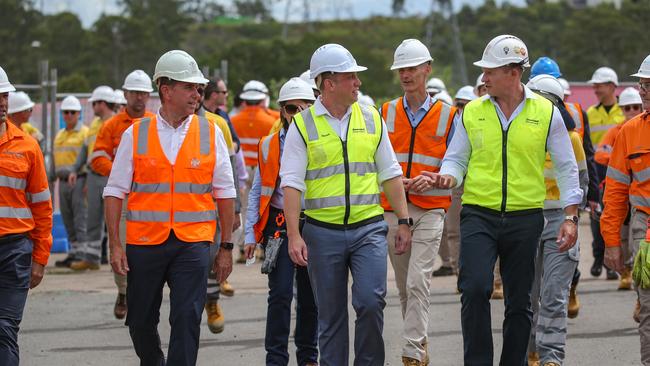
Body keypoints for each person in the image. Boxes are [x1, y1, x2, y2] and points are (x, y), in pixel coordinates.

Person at [429, 35, 581, 365]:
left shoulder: (546, 114)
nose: (484, 78)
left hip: (525, 218)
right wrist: (448, 176)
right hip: (478, 214)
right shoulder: (472, 112)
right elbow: (456, 158)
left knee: (520, 301)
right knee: (474, 288)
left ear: (513, 72)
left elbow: (568, 168)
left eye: (490, 71)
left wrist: (570, 216)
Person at [103, 50, 236, 365]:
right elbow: (114, 191)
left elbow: (226, 192)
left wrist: (226, 246)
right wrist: (115, 244)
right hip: (145, 242)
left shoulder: (211, 132)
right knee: (139, 319)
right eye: (189, 87)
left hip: (192, 242)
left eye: (199, 88)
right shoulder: (135, 134)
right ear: (166, 89)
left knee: (187, 317)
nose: (197, 94)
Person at [282, 43, 411, 366]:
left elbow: (391, 173)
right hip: (322, 233)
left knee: (370, 302)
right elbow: (293, 185)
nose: (358, 83)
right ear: (329, 83)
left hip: (368, 229)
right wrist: (295, 235)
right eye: (351, 77)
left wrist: (404, 221)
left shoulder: (371, 119)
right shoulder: (302, 126)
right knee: (331, 316)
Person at [380, 39, 456, 366]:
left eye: (412, 68)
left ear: (428, 68)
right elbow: (377, 162)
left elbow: (456, 163)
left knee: (418, 279)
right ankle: (420, 344)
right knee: (403, 286)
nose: (406, 75)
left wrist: (435, 177)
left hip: (432, 209)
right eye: (402, 69)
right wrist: (396, 180)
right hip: (394, 210)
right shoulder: (385, 112)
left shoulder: (449, 116)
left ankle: (411, 353)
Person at [244, 77, 318, 366]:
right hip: (278, 227)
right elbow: (256, 191)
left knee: (310, 297)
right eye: (291, 108)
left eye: (305, 107)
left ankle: (308, 357)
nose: (298, 114)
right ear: (281, 111)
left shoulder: (323, 142)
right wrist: (250, 236)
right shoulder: (267, 145)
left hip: (313, 224)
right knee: (280, 294)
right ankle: (275, 359)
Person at [71, 70, 155, 320]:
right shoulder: (112, 126)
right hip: (125, 197)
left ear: (149, 95)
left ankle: (145, 293)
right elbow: (96, 158)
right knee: (120, 246)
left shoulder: (155, 122)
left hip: (151, 197)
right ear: (125, 95)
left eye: (143, 93)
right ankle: (123, 291)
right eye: (134, 93)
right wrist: (121, 173)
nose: (139, 98)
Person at [525, 74, 588, 366]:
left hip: (560, 223)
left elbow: (581, 183)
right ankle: (530, 352)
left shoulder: (572, 140)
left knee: (553, 296)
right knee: (527, 295)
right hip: (526, 223)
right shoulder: (521, 137)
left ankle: (551, 358)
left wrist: (571, 218)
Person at [0, 65, 53, 366]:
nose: (2, 102)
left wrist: (41, 257)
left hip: (15, 250)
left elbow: (42, 206)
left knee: (5, 327)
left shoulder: (27, 146)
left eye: (4, 94)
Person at [602, 54, 650, 364]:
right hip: (645, 229)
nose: (642, 91)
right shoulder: (630, 131)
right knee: (648, 307)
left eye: (648, 85)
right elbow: (616, 191)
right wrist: (611, 242)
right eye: (641, 84)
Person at [594, 86, 643, 292]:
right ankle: (625, 272)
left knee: (636, 240)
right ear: (622, 109)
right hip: (623, 194)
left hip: (640, 197)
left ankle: (633, 271)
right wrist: (621, 157)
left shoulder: (641, 129)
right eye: (627, 107)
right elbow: (600, 155)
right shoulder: (618, 132)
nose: (631, 110)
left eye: (635, 106)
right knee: (623, 236)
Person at [231, 80, 278, 263]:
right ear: (262, 99)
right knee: (263, 208)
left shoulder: (233, 120)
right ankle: (262, 247)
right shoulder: (271, 119)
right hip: (262, 170)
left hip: (241, 172)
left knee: (244, 209)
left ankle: (243, 249)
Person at [587, 66, 625, 281]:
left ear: (611, 86)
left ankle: (612, 261)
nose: (596, 89)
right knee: (596, 217)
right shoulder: (591, 113)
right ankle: (599, 255)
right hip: (598, 172)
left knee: (615, 216)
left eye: (599, 85)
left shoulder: (625, 111)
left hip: (620, 170)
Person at [435, 85, 476, 279]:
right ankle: (459, 272)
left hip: (476, 183)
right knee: (453, 231)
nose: (461, 107)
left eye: (465, 104)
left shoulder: (478, 121)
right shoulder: (450, 122)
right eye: (458, 103)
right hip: (455, 183)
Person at [52, 95, 88, 268]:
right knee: (67, 219)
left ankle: (82, 255)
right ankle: (73, 253)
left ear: (78, 114)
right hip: (62, 181)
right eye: (65, 112)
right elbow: (54, 159)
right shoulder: (59, 135)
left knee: (80, 218)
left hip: (79, 180)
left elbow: (88, 159)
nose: (68, 115)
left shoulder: (85, 133)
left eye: (72, 112)